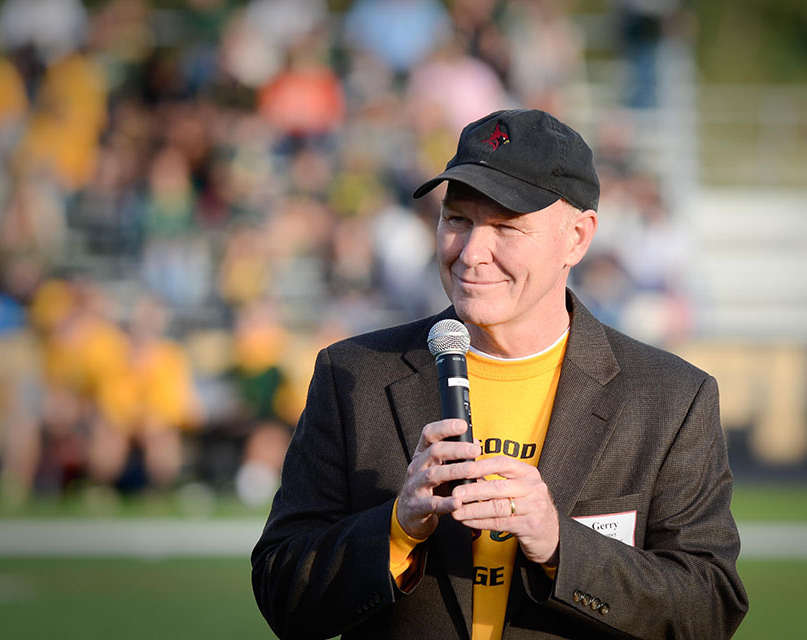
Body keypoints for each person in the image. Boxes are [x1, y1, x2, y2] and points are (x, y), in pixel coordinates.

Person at [251, 109, 748, 640]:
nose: (471, 253)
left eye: (507, 226)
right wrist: (396, 528)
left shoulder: (672, 397)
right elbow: (283, 592)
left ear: (577, 238)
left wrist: (560, 545)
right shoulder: (352, 376)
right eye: (457, 219)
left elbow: (708, 609)